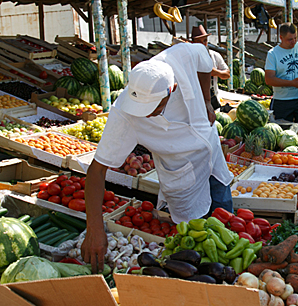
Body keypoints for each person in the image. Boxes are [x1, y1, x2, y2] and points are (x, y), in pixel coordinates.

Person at [82, 43, 234, 273]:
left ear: (171, 89)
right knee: (192, 239)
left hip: (209, 145)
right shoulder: (123, 113)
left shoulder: (181, 55)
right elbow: (97, 170)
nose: (148, 114)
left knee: (226, 217)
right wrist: (94, 228)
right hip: (179, 167)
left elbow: (204, 60)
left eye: (156, 107)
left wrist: (205, 99)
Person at [265, 23, 298, 122]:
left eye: (295, 38)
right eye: (290, 39)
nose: (293, 42)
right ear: (281, 37)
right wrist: (291, 83)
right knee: (284, 133)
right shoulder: (273, 54)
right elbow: (269, 79)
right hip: (283, 102)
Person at [191, 25, 230, 110]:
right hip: (195, 102)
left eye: (204, 41)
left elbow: (227, 74)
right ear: (193, 43)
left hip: (213, 99)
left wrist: (214, 72)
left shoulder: (214, 55)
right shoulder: (189, 58)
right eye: (199, 41)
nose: (202, 44)